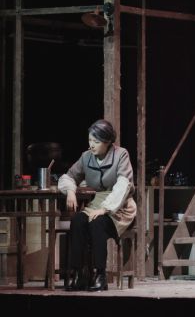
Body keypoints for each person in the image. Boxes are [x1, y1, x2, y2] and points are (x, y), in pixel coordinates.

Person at [58, 119, 137, 291]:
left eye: (96, 141)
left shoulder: (121, 154)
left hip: (120, 206)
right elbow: (69, 176)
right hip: (96, 203)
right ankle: (78, 274)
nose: (91, 145)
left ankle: (100, 275)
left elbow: (124, 184)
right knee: (78, 221)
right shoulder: (86, 157)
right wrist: (70, 190)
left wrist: (105, 209)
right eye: (90, 140)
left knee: (97, 223)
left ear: (107, 141)